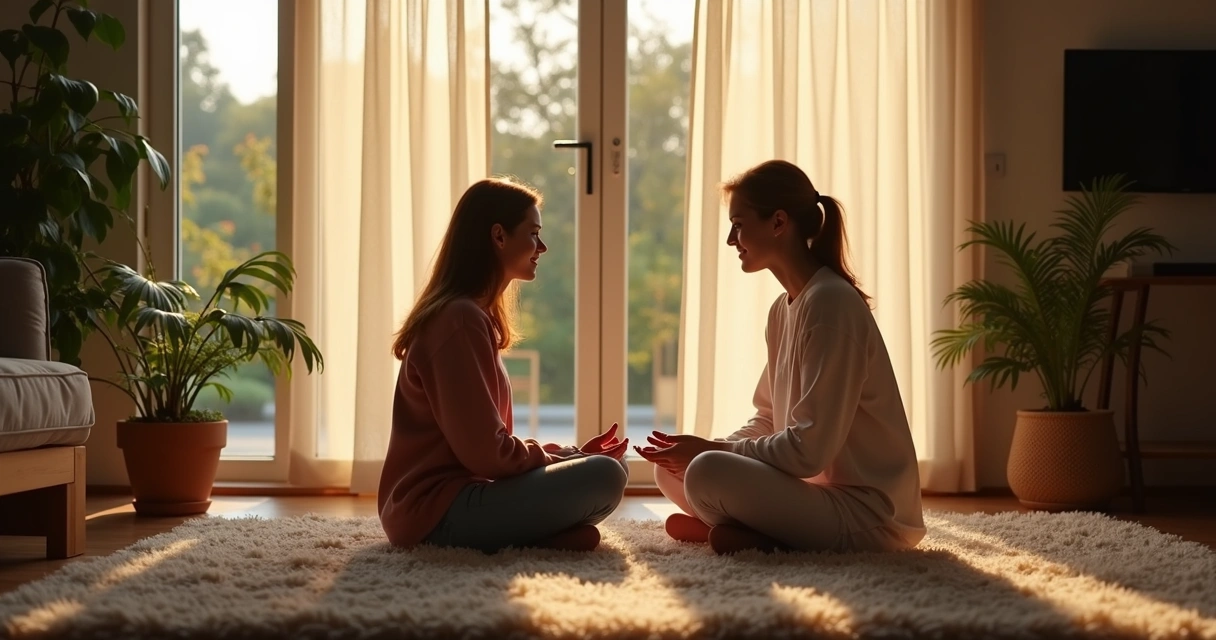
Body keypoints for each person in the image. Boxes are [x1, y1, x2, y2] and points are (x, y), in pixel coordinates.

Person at [636, 160, 925, 556]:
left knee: (706, 470)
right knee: (672, 471)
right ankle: (756, 535)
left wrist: (711, 452)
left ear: (778, 223)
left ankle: (751, 533)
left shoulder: (831, 304)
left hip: (868, 515)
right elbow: (768, 418)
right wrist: (706, 446)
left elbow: (808, 452)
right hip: (814, 494)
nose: (730, 239)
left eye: (738, 224)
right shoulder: (783, 309)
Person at [378, 178, 629, 553]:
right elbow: (487, 455)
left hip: (463, 496)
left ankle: (537, 538)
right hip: (435, 513)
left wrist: (568, 455)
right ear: (498, 236)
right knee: (605, 474)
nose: (541, 247)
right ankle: (536, 537)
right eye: (533, 233)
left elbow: (487, 450)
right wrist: (568, 458)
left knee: (611, 467)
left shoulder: (469, 315)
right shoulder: (458, 319)